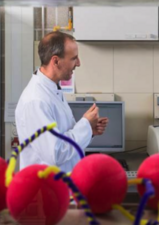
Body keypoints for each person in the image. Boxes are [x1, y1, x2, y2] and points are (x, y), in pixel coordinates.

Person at [15, 31, 108, 172]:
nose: (78, 63)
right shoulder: (36, 100)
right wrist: (85, 125)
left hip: (62, 186)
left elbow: (65, 137)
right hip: (46, 189)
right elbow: (55, 154)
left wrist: (90, 131)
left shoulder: (52, 89)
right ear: (56, 61)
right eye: (74, 58)